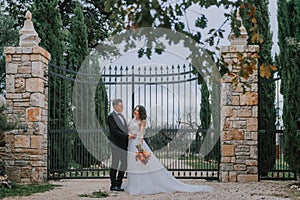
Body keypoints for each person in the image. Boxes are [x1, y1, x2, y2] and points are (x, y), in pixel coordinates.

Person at [124, 105, 214, 195]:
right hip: (131, 143)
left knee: (142, 165)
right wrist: (129, 135)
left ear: (141, 113)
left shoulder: (142, 121)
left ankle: (143, 185)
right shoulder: (132, 120)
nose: (135, 111)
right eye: (135, 109)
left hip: (138, 144)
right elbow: (128, 130)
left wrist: (139, 146)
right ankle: (134, 184)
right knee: (133, 165)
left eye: (137, 110)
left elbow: (142, 134)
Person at [107, 99, 136, 191]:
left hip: (123, 145)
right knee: (115, 164)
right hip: (116, 144)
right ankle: (113, 184)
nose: (122, 107)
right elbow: (115, 131)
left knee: (124, 164)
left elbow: (125, 129)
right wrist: (127, 136)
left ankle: (119, 183)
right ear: (115, 106)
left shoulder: (122, 116)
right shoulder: (111, 117)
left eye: (122, 106)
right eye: (120, 106)